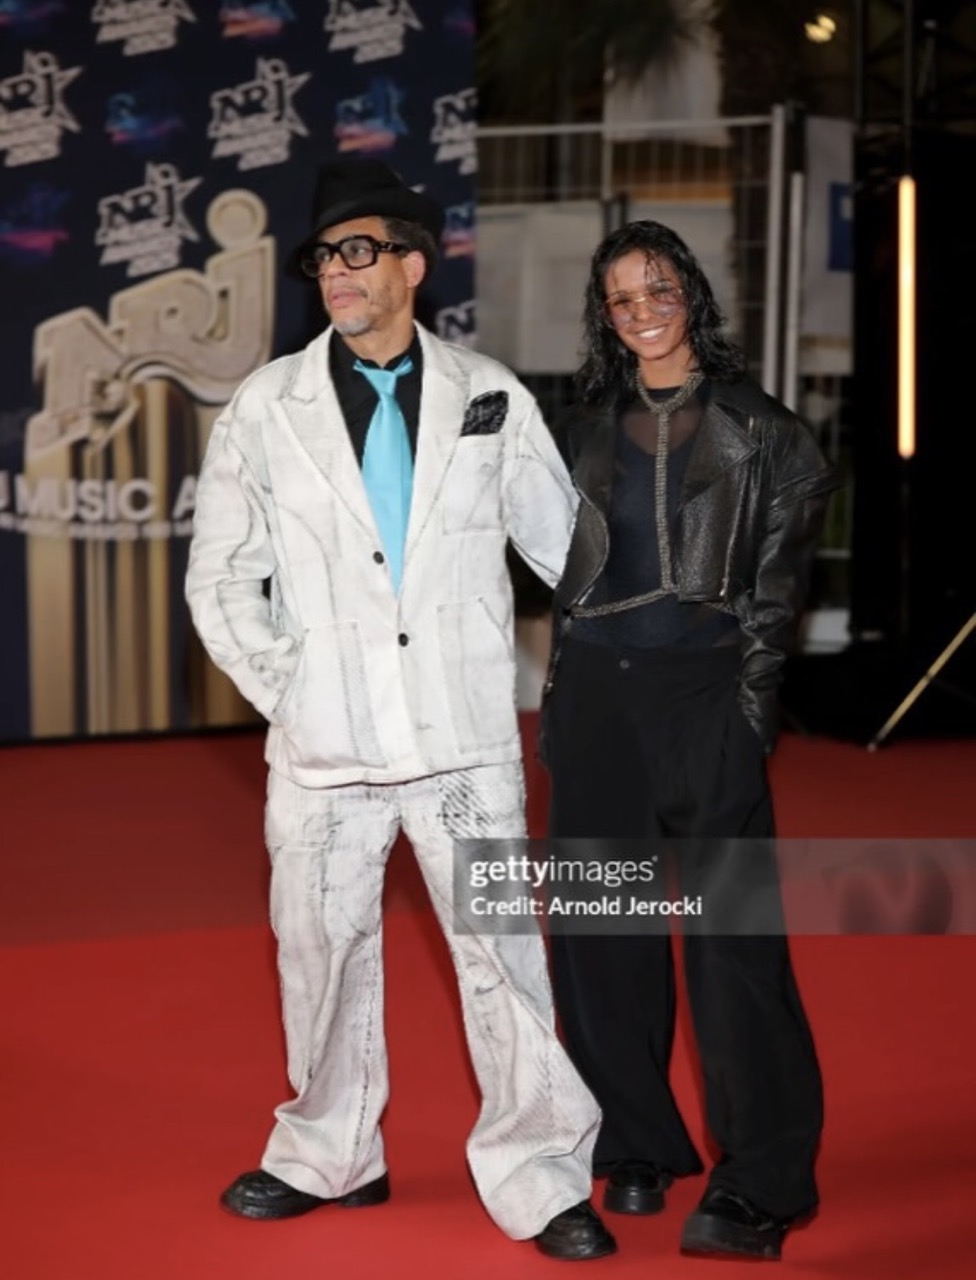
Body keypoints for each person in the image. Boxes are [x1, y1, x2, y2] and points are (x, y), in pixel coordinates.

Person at [185, 157, 615, 1262]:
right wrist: (292, 689)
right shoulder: (265, 408)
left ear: (412, 265)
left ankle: (541, 1172)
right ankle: (328, 1153)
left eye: (358, 250)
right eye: (324, 256)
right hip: (322, 748)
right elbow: (220, 580)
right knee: (317, 952)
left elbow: (570, 553)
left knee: (503, 959)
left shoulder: (489, 394)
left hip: (461, 743)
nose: (336, 271)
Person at [540, 220, 835, 1261]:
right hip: (596, 702)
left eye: (657, 288)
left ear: (691, 293)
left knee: (735, 948)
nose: (642, 312)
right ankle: (635, 1141)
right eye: (621, 299)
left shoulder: (770, 434)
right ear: (604, 317)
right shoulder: (573, 430)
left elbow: (778, 601)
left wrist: (750, 716)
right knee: (599, 939)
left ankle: (761, 1182)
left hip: (707, 696)